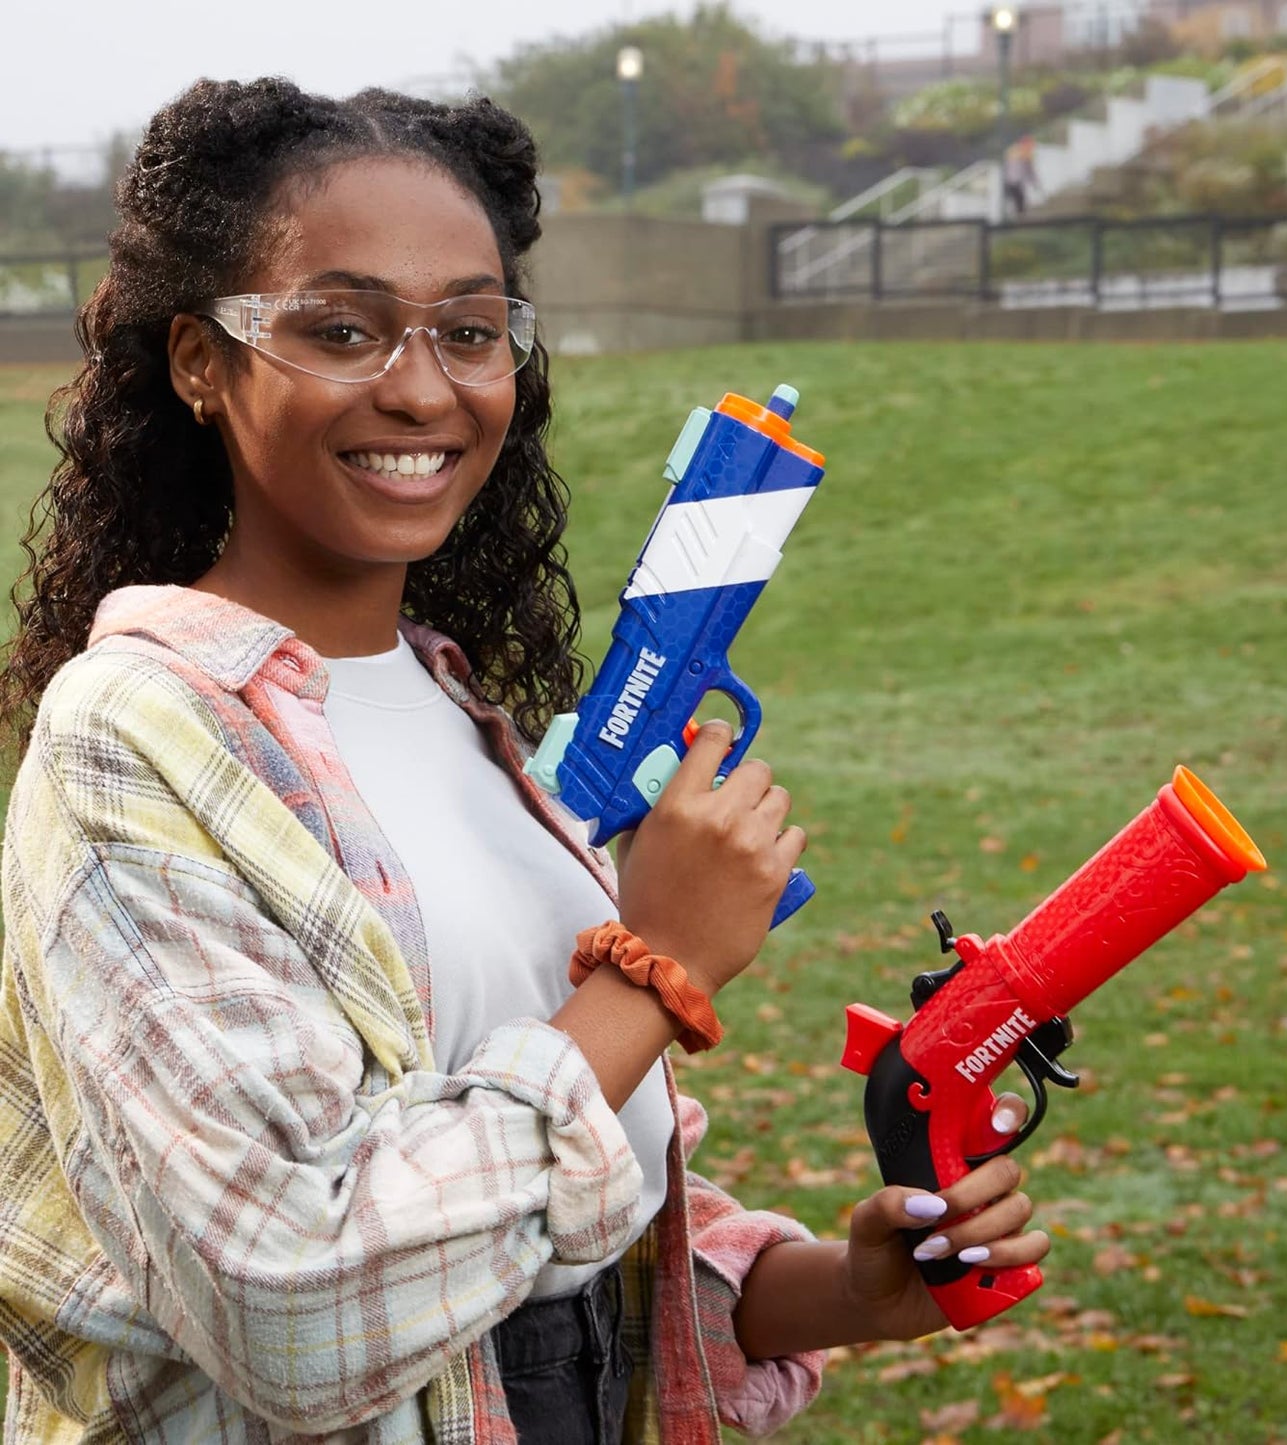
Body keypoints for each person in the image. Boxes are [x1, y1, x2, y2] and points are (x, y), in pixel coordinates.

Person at [0, 78, 1050, 1443]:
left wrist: (833, 1286)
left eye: (471, 329)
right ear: (202, 361)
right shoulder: (132, 738)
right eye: (343, 327)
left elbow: (551, 1229)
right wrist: (656, 969)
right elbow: (293, 1309)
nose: (424, 385)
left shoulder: (453, 709)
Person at [1003, 135, 1040, 219]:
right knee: (1019, 201)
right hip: (1015, 181)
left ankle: (1019, 217)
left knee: (1018, 201)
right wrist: (1034, 182)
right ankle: (1020, 217)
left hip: (1012, 180)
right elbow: (1029, 171)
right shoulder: (1022, 154)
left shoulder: (1014, 152)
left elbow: (1029, 170)